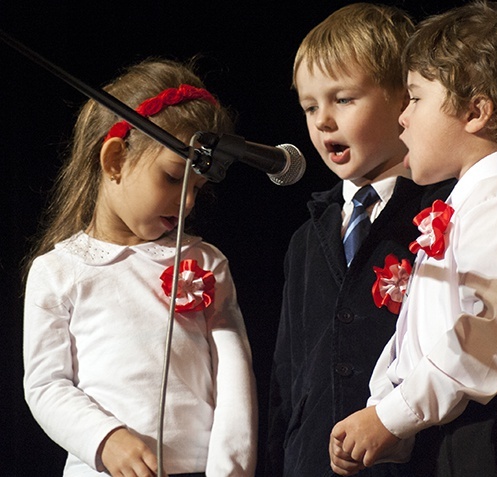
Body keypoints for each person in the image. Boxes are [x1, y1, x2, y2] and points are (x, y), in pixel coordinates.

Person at [328, 1, 497, 476]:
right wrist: (384, 409)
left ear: (476, 111)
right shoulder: (468, 204)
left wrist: (391, 416)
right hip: (457, 430)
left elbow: (486, 337)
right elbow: (419, 335)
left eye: (415, 98)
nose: (402, 118)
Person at [23, 58, 257, 477]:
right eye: (172, 178)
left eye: (197, 190)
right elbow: (45, 385)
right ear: (114, 160)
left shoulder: (204, 262)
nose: (187, 204)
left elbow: (234, 377)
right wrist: (105, 438)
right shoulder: (57, 272)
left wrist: (230, 471)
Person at [266, 4, 455, 476]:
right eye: (310, 106)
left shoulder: (443, 211)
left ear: (403, 101)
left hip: (415, 458)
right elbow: (287, 381)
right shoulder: (308, 238)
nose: (323, 121)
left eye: (344, 99)